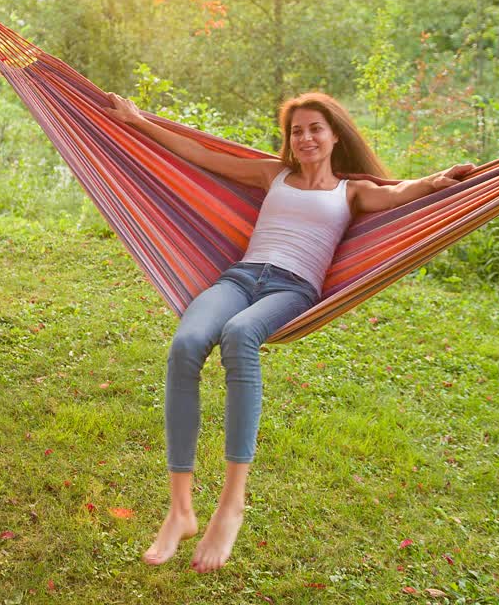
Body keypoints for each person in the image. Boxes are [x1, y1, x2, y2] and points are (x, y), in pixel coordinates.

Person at [102, 91, 475, 573]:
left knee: (239, 336)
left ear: (335, 133)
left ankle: (231, 504)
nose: (305, 138)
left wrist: (438, 181)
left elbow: (403, 192)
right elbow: (199, 155)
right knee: (186, 344)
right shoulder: (271, 174)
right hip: (240, 276)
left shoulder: (353, 190)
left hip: (294, 288)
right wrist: (137, 122)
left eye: (315, 128)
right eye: (296, 131)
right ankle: (181, 508)